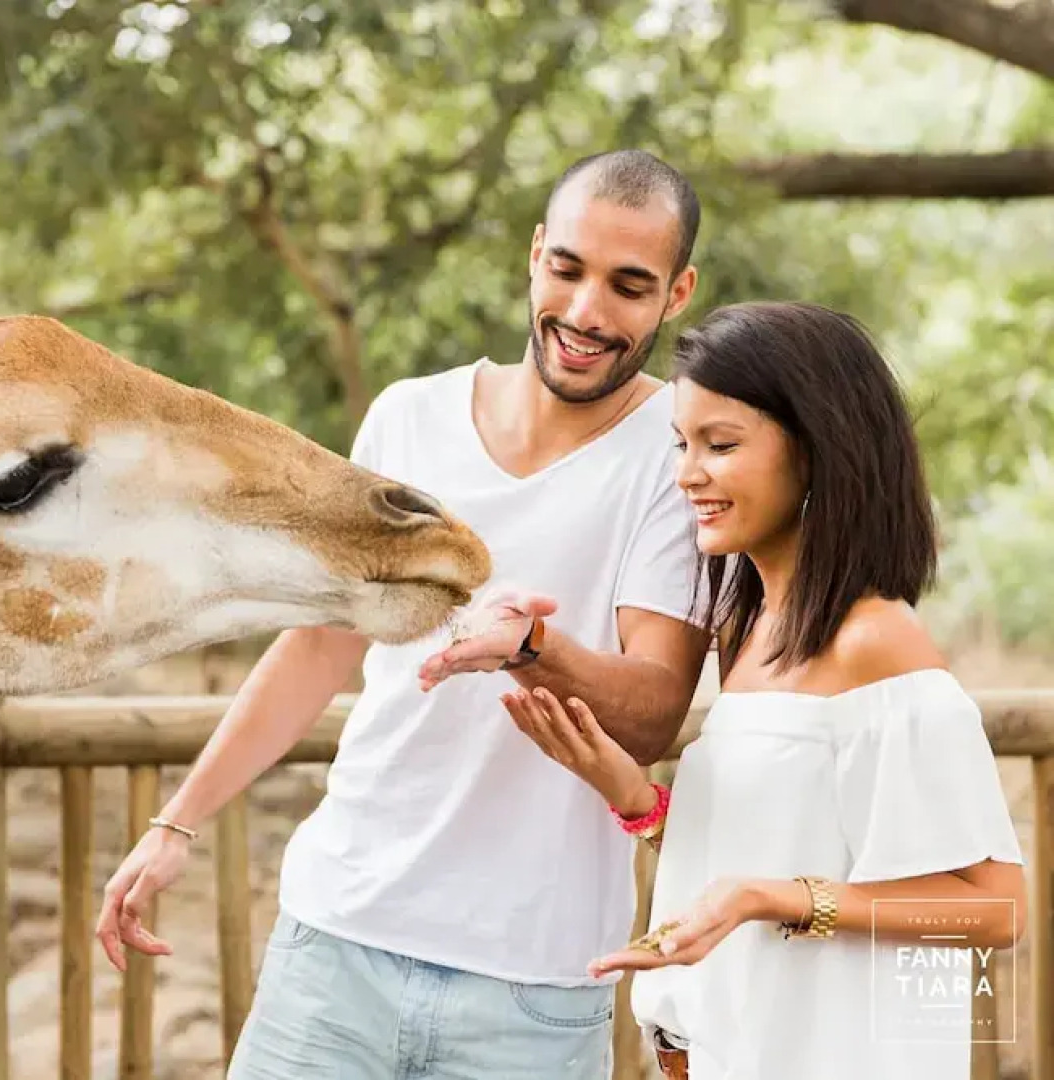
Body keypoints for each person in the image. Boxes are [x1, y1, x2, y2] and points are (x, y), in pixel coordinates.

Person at [95, 148, 713, 1078]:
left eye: (628, 286)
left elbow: (654, 709)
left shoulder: (672, 455)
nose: (586, 313)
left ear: (675, 294)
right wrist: (174, 824)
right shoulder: (406, 418)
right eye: (568, 269)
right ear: (534, 253)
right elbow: (316, 647)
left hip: (531, 988)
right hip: (335, 943)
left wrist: (531, 648)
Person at [439, 300, 1027, 1078]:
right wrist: (631, 796)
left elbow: (993, 908)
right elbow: (775, 840)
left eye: (720, 445)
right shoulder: (751, 637)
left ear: (817, 451)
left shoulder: (874, 645)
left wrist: (773, 899)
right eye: (682, 443)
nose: (687, 473)